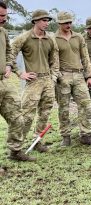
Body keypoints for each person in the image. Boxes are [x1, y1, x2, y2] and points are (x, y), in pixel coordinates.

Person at [11, 9, 60, 153]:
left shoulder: (50, 39)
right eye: (44, 20)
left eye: (48, 21)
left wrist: (53, 78)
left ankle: (38, 141)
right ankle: (16, 148)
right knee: (27, 115)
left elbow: (55, 61)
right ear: (35, 21)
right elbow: (10, 54)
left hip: (48, 80)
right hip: (33, 81)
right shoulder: (24, 38)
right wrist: (20, 73)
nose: (46, 23)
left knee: (45, 113)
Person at [54, 11, 91, 146]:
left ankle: (85, 134)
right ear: (59, 23)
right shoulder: (53, 39)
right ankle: (65, 136)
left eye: (70, 22)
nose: (68, 25)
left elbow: (85, 57)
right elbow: (51, 60)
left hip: (78, 75)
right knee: (63, 108)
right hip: (62, 76)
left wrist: (90, 75)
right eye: (65, 22)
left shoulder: (78, 37)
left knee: (86, 105)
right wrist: (58, 76)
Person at [0, 1, 35, 161]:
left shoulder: (3, 32)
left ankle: (15, 152)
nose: (4, 19)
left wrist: (8, 65)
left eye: (5, 16)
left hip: (4, 82)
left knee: (17, 117)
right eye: (0, 16)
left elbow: (9, 51)